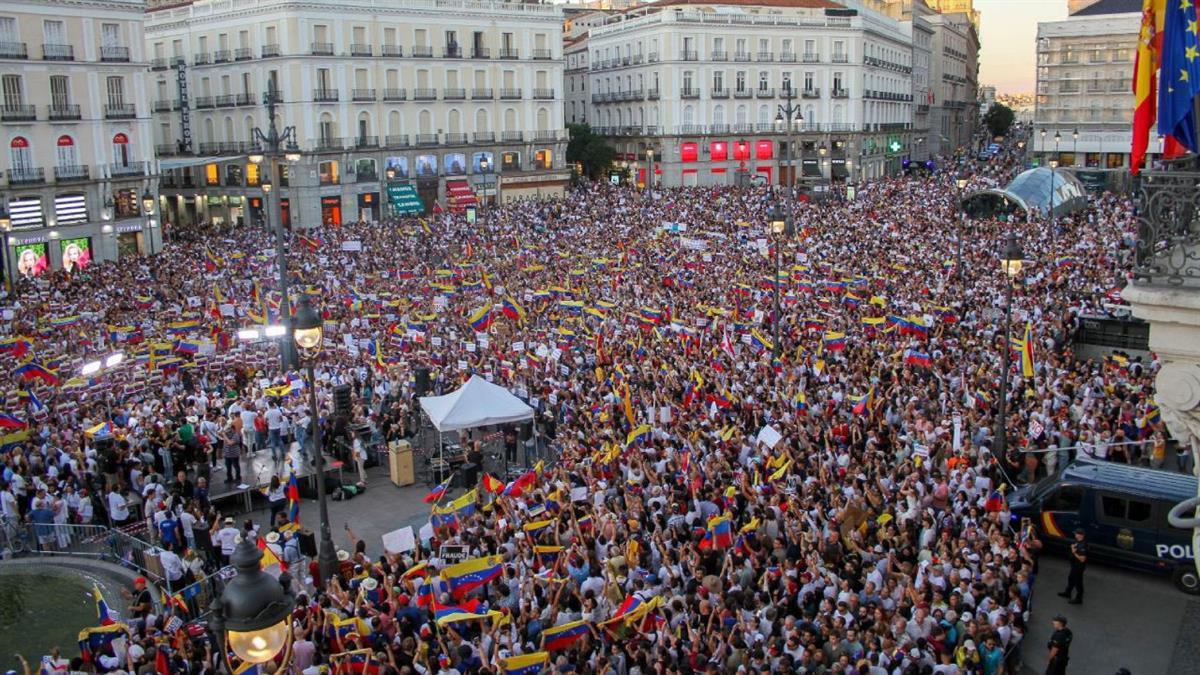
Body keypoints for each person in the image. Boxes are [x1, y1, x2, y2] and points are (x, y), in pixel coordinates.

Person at [1059, 527, 1087, 604]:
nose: (1075, 535)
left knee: (1078, 583)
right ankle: (1068, 592)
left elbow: (1082, 559)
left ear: (1081, 535)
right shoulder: (1077, 541)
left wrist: (1074, 552)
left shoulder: (1083, 546)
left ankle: (1079, 599)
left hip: (1079, 567)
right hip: (1074, 565)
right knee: (1071, 578)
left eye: (1076, 534)